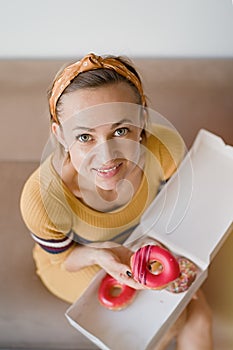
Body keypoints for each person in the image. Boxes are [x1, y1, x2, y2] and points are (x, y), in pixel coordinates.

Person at [20, 53, 213, 349]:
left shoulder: (165, 149)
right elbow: (63, 259)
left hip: (143, 240)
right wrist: (100, 254)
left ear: (142, 119)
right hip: (78, 260)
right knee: (163, 321)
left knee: (192, 312)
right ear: (59, 135)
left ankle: (197, 318)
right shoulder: (41, 199)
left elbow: (175, 210)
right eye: (85, 137)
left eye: (121, 131)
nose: (107, 157)